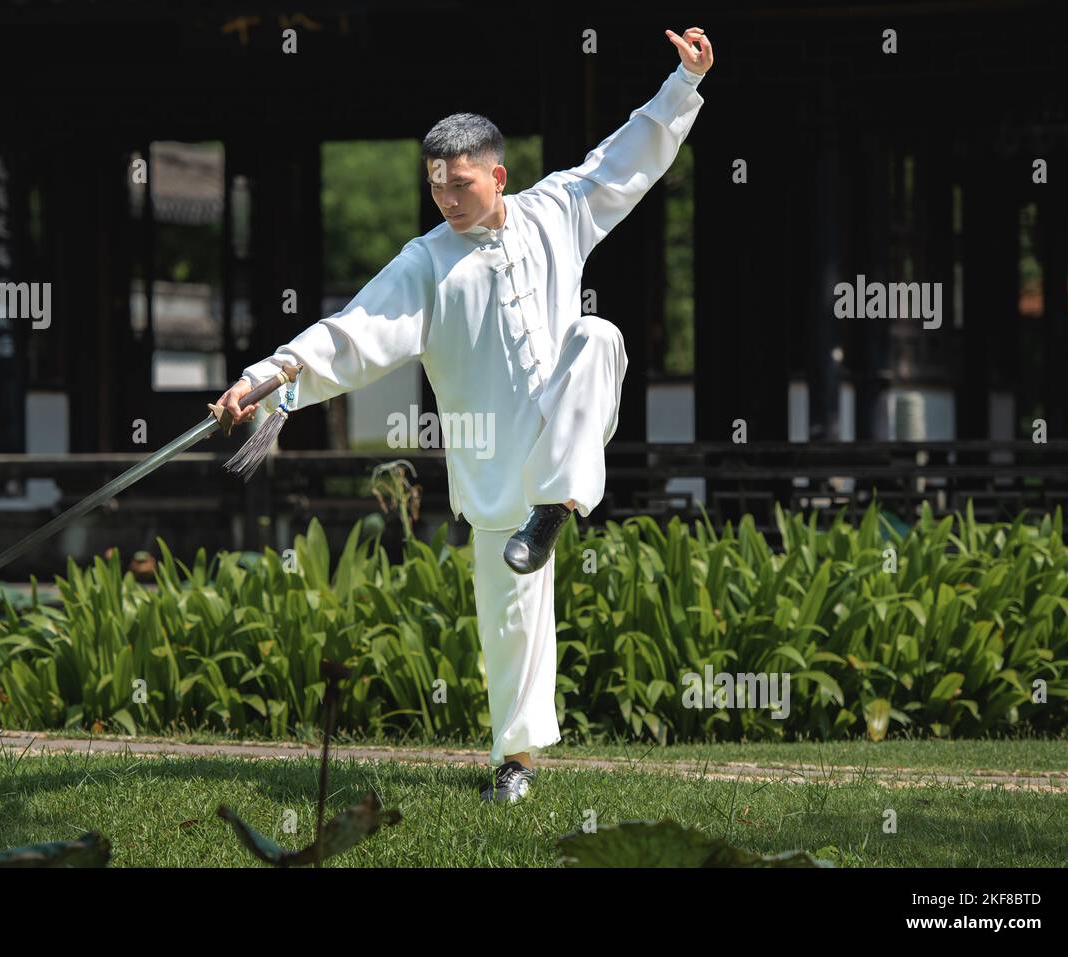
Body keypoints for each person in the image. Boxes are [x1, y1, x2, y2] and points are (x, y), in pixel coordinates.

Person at [213, 27, 713, 802]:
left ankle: (555, 504)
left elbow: (626, 160)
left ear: (499, 175)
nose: (447, 198)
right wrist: (265, 377)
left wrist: (682, 84)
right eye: (437, 185)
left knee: (600, 334)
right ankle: (513, 766)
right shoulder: (424, 263)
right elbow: (353, 331)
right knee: (510, 626)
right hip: (490, 466)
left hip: (562, 428)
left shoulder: (557, 211)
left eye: (462, 184)